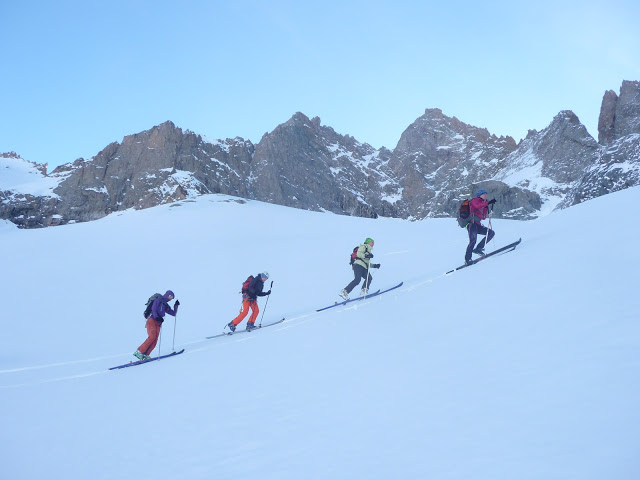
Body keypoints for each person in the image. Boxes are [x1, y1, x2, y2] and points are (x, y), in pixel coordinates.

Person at [134, 290, 179, 360]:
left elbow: (173, 313)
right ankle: (139, 352)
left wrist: (176, 306)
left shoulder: (165, 305)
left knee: (155, 339)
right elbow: (154, 309)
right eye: (170, 296)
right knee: (152, 336)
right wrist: (157, 317)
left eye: (172, 298)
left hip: (158, 323)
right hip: (152, 320)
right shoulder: (159, 300)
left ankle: (145, 355)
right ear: (167, 294)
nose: (170, 298)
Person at [465, 189, 497, 266]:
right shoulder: (475, 200)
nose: (486, 195)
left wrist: (486, 207)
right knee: (473, 241)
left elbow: (483, 217)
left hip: (477, 224)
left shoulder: (482, 203)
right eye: (484, 194)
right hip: (472, 224)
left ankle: (478, 248)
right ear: (479, 195)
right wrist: (487, 203)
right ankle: (467, 259)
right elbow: (477, 205)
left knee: (491, 233)